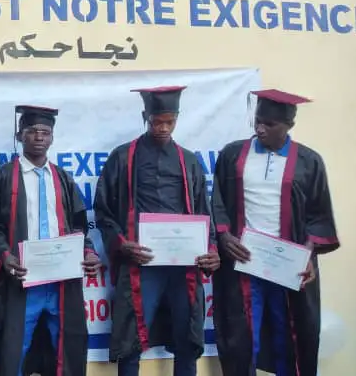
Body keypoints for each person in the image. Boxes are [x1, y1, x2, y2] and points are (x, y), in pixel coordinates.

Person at [210, 89, 339, 376]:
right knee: (242, 338)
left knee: (290, 337)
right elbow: (217, 201)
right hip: (244, 263)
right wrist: (223, 235)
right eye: (258, 120)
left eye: (270, 123)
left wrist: (308, 253)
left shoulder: (309, 161)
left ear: (289, 126)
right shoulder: (233, 154)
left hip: (287, 267)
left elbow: (319, 215)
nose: (260, 128)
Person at [93, 86, 221, 376]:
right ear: (145, 116)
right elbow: (103, 209)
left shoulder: (189, 161)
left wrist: (211, 248)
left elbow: (204, 211)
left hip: (184, 266)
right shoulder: (123, 158)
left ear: (177, 119)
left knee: (187, 337)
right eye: (156, 122)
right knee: (131, 341)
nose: (163, 128)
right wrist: (121, 243)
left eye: (169, 122)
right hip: (142, 263)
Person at [0, 105, 101, 376]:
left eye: (45, 132)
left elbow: (79, 228)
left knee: (66, 347)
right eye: (32, 131)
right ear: (20, 136)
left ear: (53, 137)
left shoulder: (63, 179)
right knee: (13, 349)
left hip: (61, 283)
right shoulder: (3, 176)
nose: (39, 137)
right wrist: (4, 256)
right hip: (23, 280)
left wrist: (88, 252)